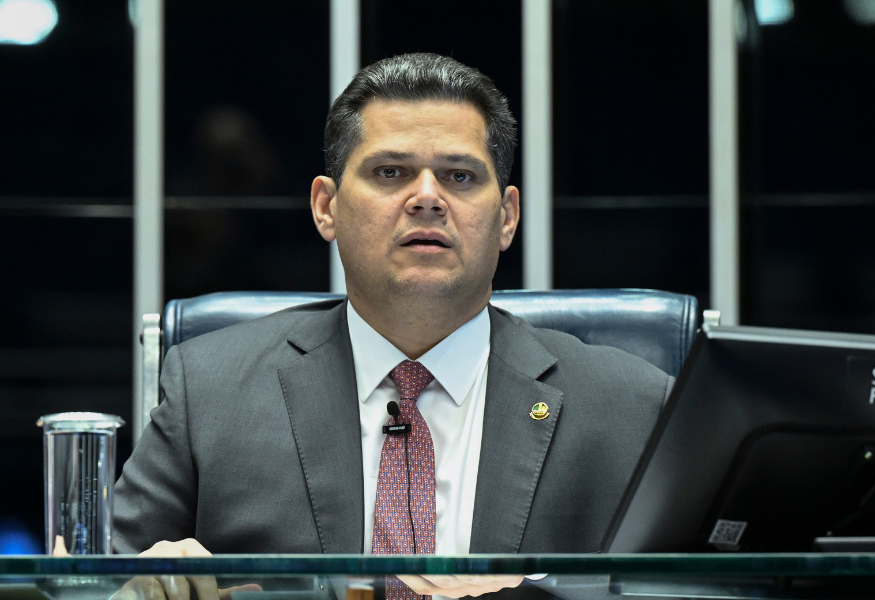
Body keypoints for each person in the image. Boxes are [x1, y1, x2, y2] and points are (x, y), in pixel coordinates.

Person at [113, 53, 673, 599]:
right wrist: (142, 588)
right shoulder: (210, 390)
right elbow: (98, 582)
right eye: (390, 172)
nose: (427, 198)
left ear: (506, 217)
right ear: (326, 207)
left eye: (459, 175)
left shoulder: (633, 406)